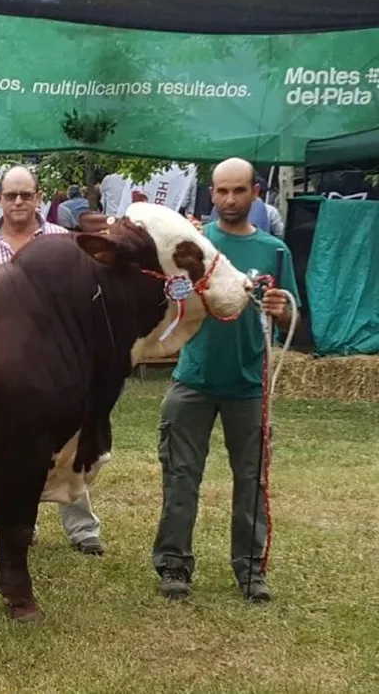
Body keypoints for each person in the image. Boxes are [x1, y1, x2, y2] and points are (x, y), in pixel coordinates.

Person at [152, 157, 299, 604]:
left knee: (251, 479)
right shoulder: (195, 244)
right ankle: (173, 565)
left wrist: (281, 309)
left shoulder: (275, 250)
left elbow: (293, 313)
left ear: (256, 191)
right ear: (211, 194)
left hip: (248, 386)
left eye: (238, 190)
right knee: (180, 476)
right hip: (192, 380)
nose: (230, 200)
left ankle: (250, 571)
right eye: (221, 191)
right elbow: (168, 296)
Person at [0, 166, 106, 557]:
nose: (19, 202)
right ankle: (21, 527)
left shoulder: (66, 242)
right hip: (1, 370)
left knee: (68, 445)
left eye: (26, 195)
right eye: (11, 196)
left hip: (58, 367)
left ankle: (82, 529)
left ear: (40, 197)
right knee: (13, 450)